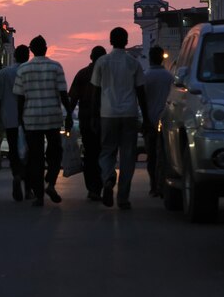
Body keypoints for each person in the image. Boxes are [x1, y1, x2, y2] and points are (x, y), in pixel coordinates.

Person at [91, 27, 148, 210]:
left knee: (107, 151)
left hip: (108, 114)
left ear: (110, 41)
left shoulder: (102, 62)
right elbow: (141, 92)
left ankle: (108, 178)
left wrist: (94, 116)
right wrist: (146, 117)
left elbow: (95, 92)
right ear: (126, 41)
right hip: (129, 114)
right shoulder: (133, 63)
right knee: (128, 156)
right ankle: (123, 198)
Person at [13, 35, 72, 207]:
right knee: (55, 154)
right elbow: (63, 95)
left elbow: (20, 99)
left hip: (31, 119)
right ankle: (51, 183)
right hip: (52, 118)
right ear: (46, 49)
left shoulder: (23, 70)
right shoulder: (56, 67)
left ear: (31, 51)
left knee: (35, 158)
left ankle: (39, 196)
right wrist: (68, 114)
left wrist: (20, 120)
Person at [0, 44, 32, 201]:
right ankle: (28, 188)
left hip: (10, 120)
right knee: (30, 153)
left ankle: (16, 175)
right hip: (29, 120)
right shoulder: (30, 72)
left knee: (14, 151)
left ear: (14, 55)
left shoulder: (4, 74)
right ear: (28, 56)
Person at [69, 45, 107, 201]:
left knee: (90, 154)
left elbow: (73, 98)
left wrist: (67, 117)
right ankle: (102, 184)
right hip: (105, 119)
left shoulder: (82, 73)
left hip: (86, 120)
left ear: (91, 57)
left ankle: (93, 188)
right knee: (104, 153)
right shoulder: (107, 74)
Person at [144, 45, 173, 196]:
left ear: (150, 58)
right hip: (166, 121)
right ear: (162, 58)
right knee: (165, 156)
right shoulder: (169, 77)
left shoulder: (145, 76)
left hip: (150, 121)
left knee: (152, 156)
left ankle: (153, 185)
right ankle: (163, 185)